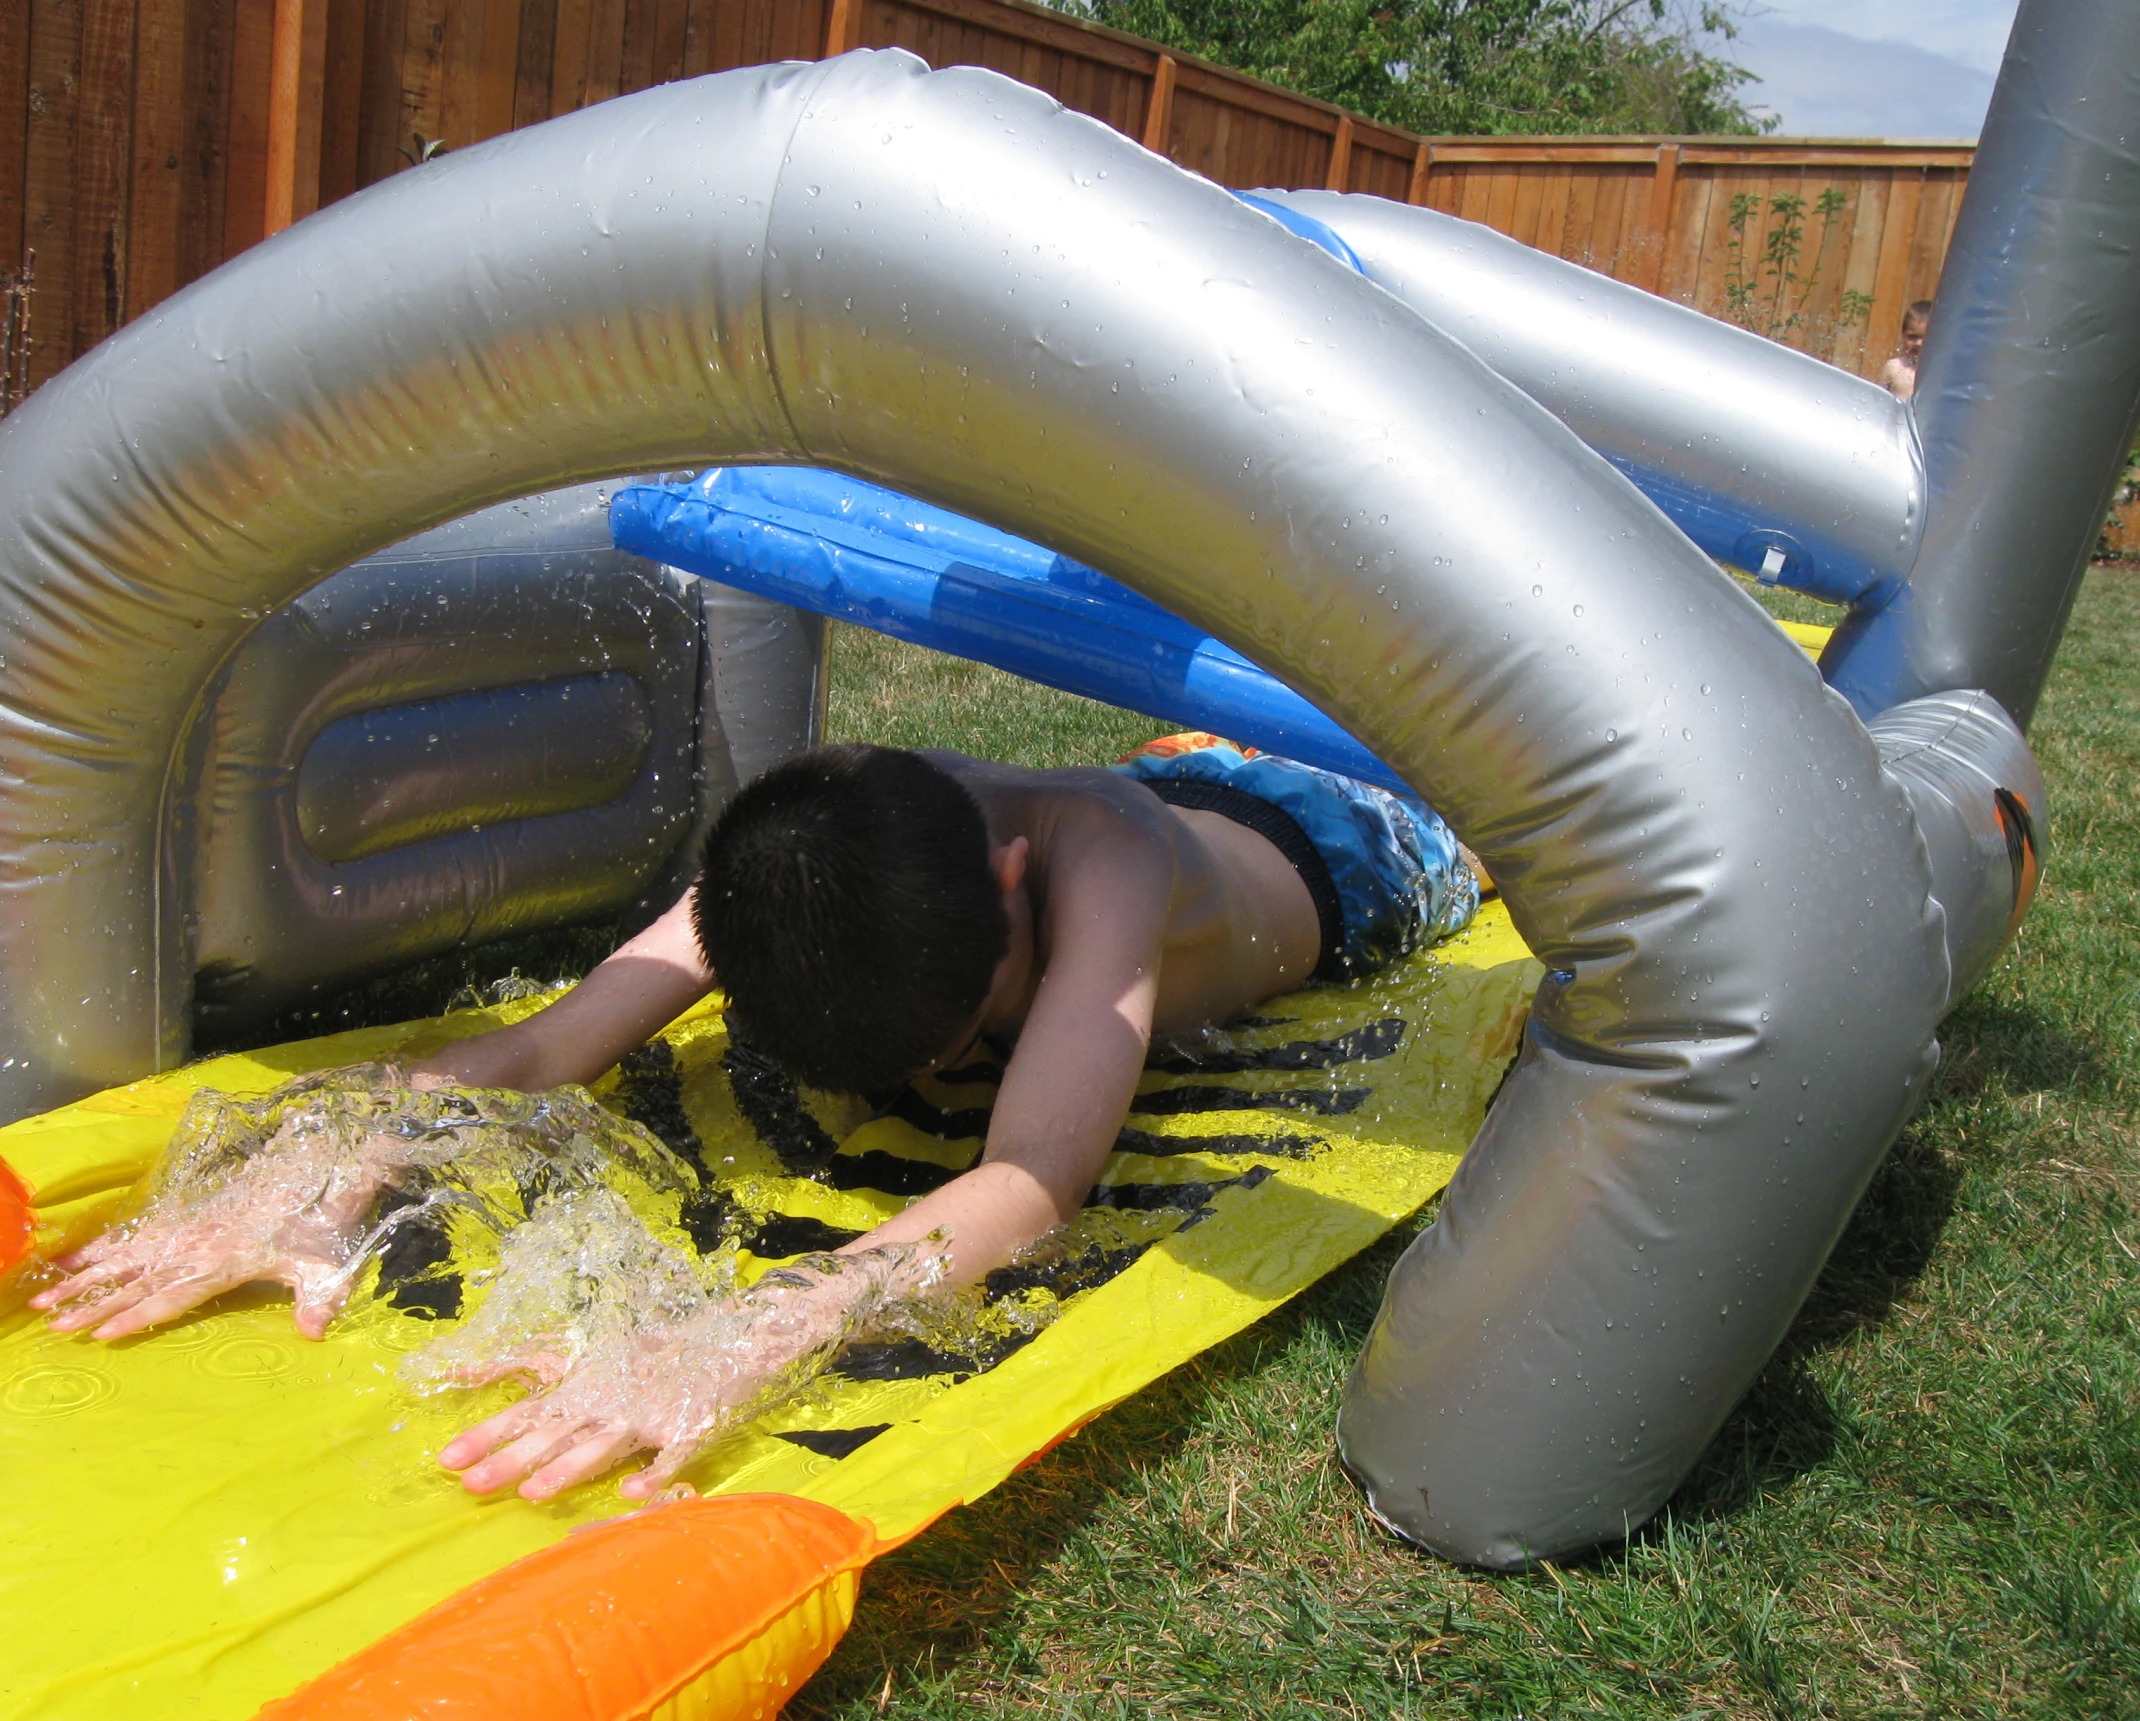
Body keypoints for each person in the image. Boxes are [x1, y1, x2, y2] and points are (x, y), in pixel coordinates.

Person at [32, 736, 1475, 1501]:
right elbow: (545, 1049)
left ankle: (1326, 774)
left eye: (972, 1033)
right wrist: (328, 1152)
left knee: (1433, 805)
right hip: (1156, 785)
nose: (928, 1083)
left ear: (1017, 882)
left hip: (1336, 849)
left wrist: (753, 1324)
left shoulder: (1105, 880)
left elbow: (1034, 1176)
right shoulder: (812, 849)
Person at [1880, 300, 1932, 401]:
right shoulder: (1894, 367)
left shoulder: (1940, 372)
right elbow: (1878, 400)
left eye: (1926, 338)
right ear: (1903, 335)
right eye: (1912, 337)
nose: (1918, 343)